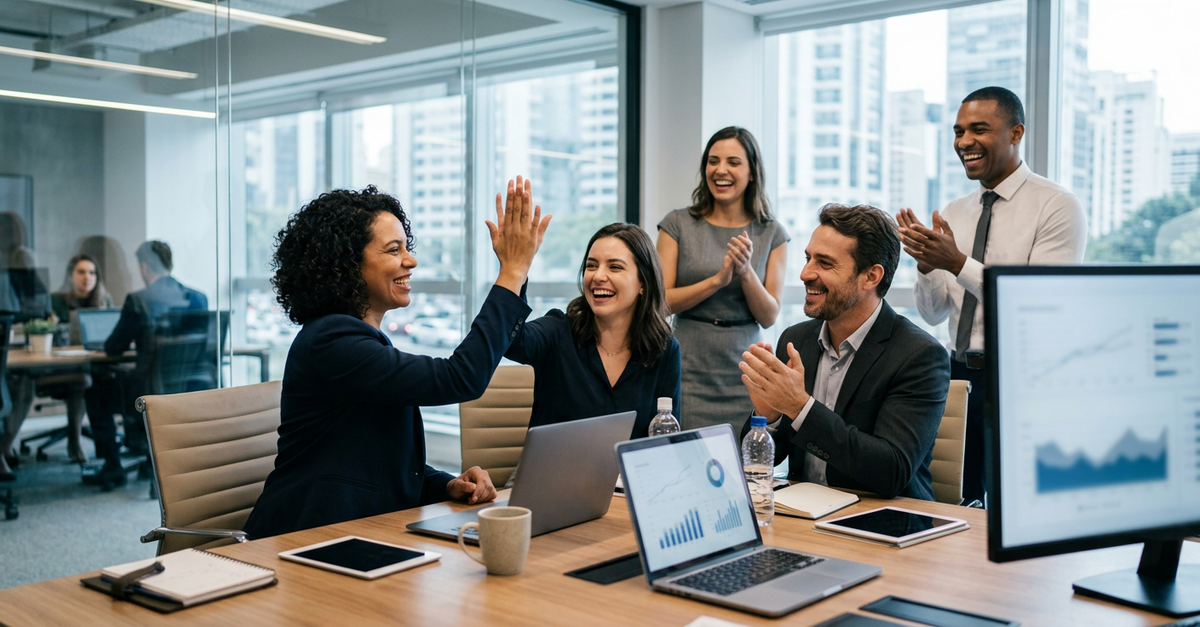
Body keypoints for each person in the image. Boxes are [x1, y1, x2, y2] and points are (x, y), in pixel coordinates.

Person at [243, 179, 550, 539]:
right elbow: (459, 378)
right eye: (393, 250)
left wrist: (446, 485)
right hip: (304, 540)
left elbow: (369, 458)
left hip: (358, 533)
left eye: (407, 247)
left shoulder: (357, 340)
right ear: (347, 264)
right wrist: (512, 272)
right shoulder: (331, 342)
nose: (411, 260)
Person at [895, 86, 1087, 505]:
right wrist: (927, 265)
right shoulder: (954, 211)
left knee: (1010, 506)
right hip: (956, 375)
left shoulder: (1056, 206)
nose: (964, 142)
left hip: (1018, 379)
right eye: (958, 131)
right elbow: (932, 314)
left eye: (978, 129)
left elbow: (1036, 306)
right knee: (953, 500)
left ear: (1015, 133)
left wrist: (956, 261)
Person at [739, 204, 950, 500]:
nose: (804, 274)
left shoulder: (919, 355)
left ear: (871, 277)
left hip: (883, 524)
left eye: (824, 263)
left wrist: (800, 408)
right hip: (802, 517)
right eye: (808, 258)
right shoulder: (795, 339)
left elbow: (891, 471)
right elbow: (761, 463)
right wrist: (768, 417)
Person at [656, 126, 788, 433]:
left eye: (733, 162)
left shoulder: (772, 232)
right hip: (687, 365)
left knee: (742, 463)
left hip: (743, 371)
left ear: (752, 173)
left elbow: (769, 315)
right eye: (713, 161)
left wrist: (745, 272)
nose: (721, 170)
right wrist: (717, 280)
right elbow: (660, 302)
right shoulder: (677, 223)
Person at [504, 223, 681, 443]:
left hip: (626, 476)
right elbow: (510, 342)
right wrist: (516, 269)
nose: (598, 276)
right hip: (552, 475)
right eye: (591, 266)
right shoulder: (558, 330)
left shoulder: (664, 348)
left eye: (614, 267)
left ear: (643, 284)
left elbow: (668, 439)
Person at [82, 241, 209, 489]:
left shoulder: (139, 300)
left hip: (150, 394)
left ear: (143, 267)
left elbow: (113, 347)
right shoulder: (198, 298)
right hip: (190, 388)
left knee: (95, 389)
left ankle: (112, 467)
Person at [50, 253, 114, 322]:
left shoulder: (105, 301)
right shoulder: (57, 301)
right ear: (70, 277)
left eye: (91, 273)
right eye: (81, 272)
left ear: (96, 277)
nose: (87, 277)